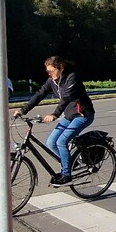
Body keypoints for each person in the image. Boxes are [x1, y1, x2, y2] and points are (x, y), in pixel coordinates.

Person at [14, 56, 95, 186]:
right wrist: (23, 110)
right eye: (48, 72)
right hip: (69, 116)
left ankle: (66, 175)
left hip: (83, 115)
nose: (49, 74)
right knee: (51, 142)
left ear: (60, 68)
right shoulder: (52, 81)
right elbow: (40, 94)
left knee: (62, 141)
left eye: (51, 71)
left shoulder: (72, 77)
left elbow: (67, 97)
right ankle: (71, 163)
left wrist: (55, 114)